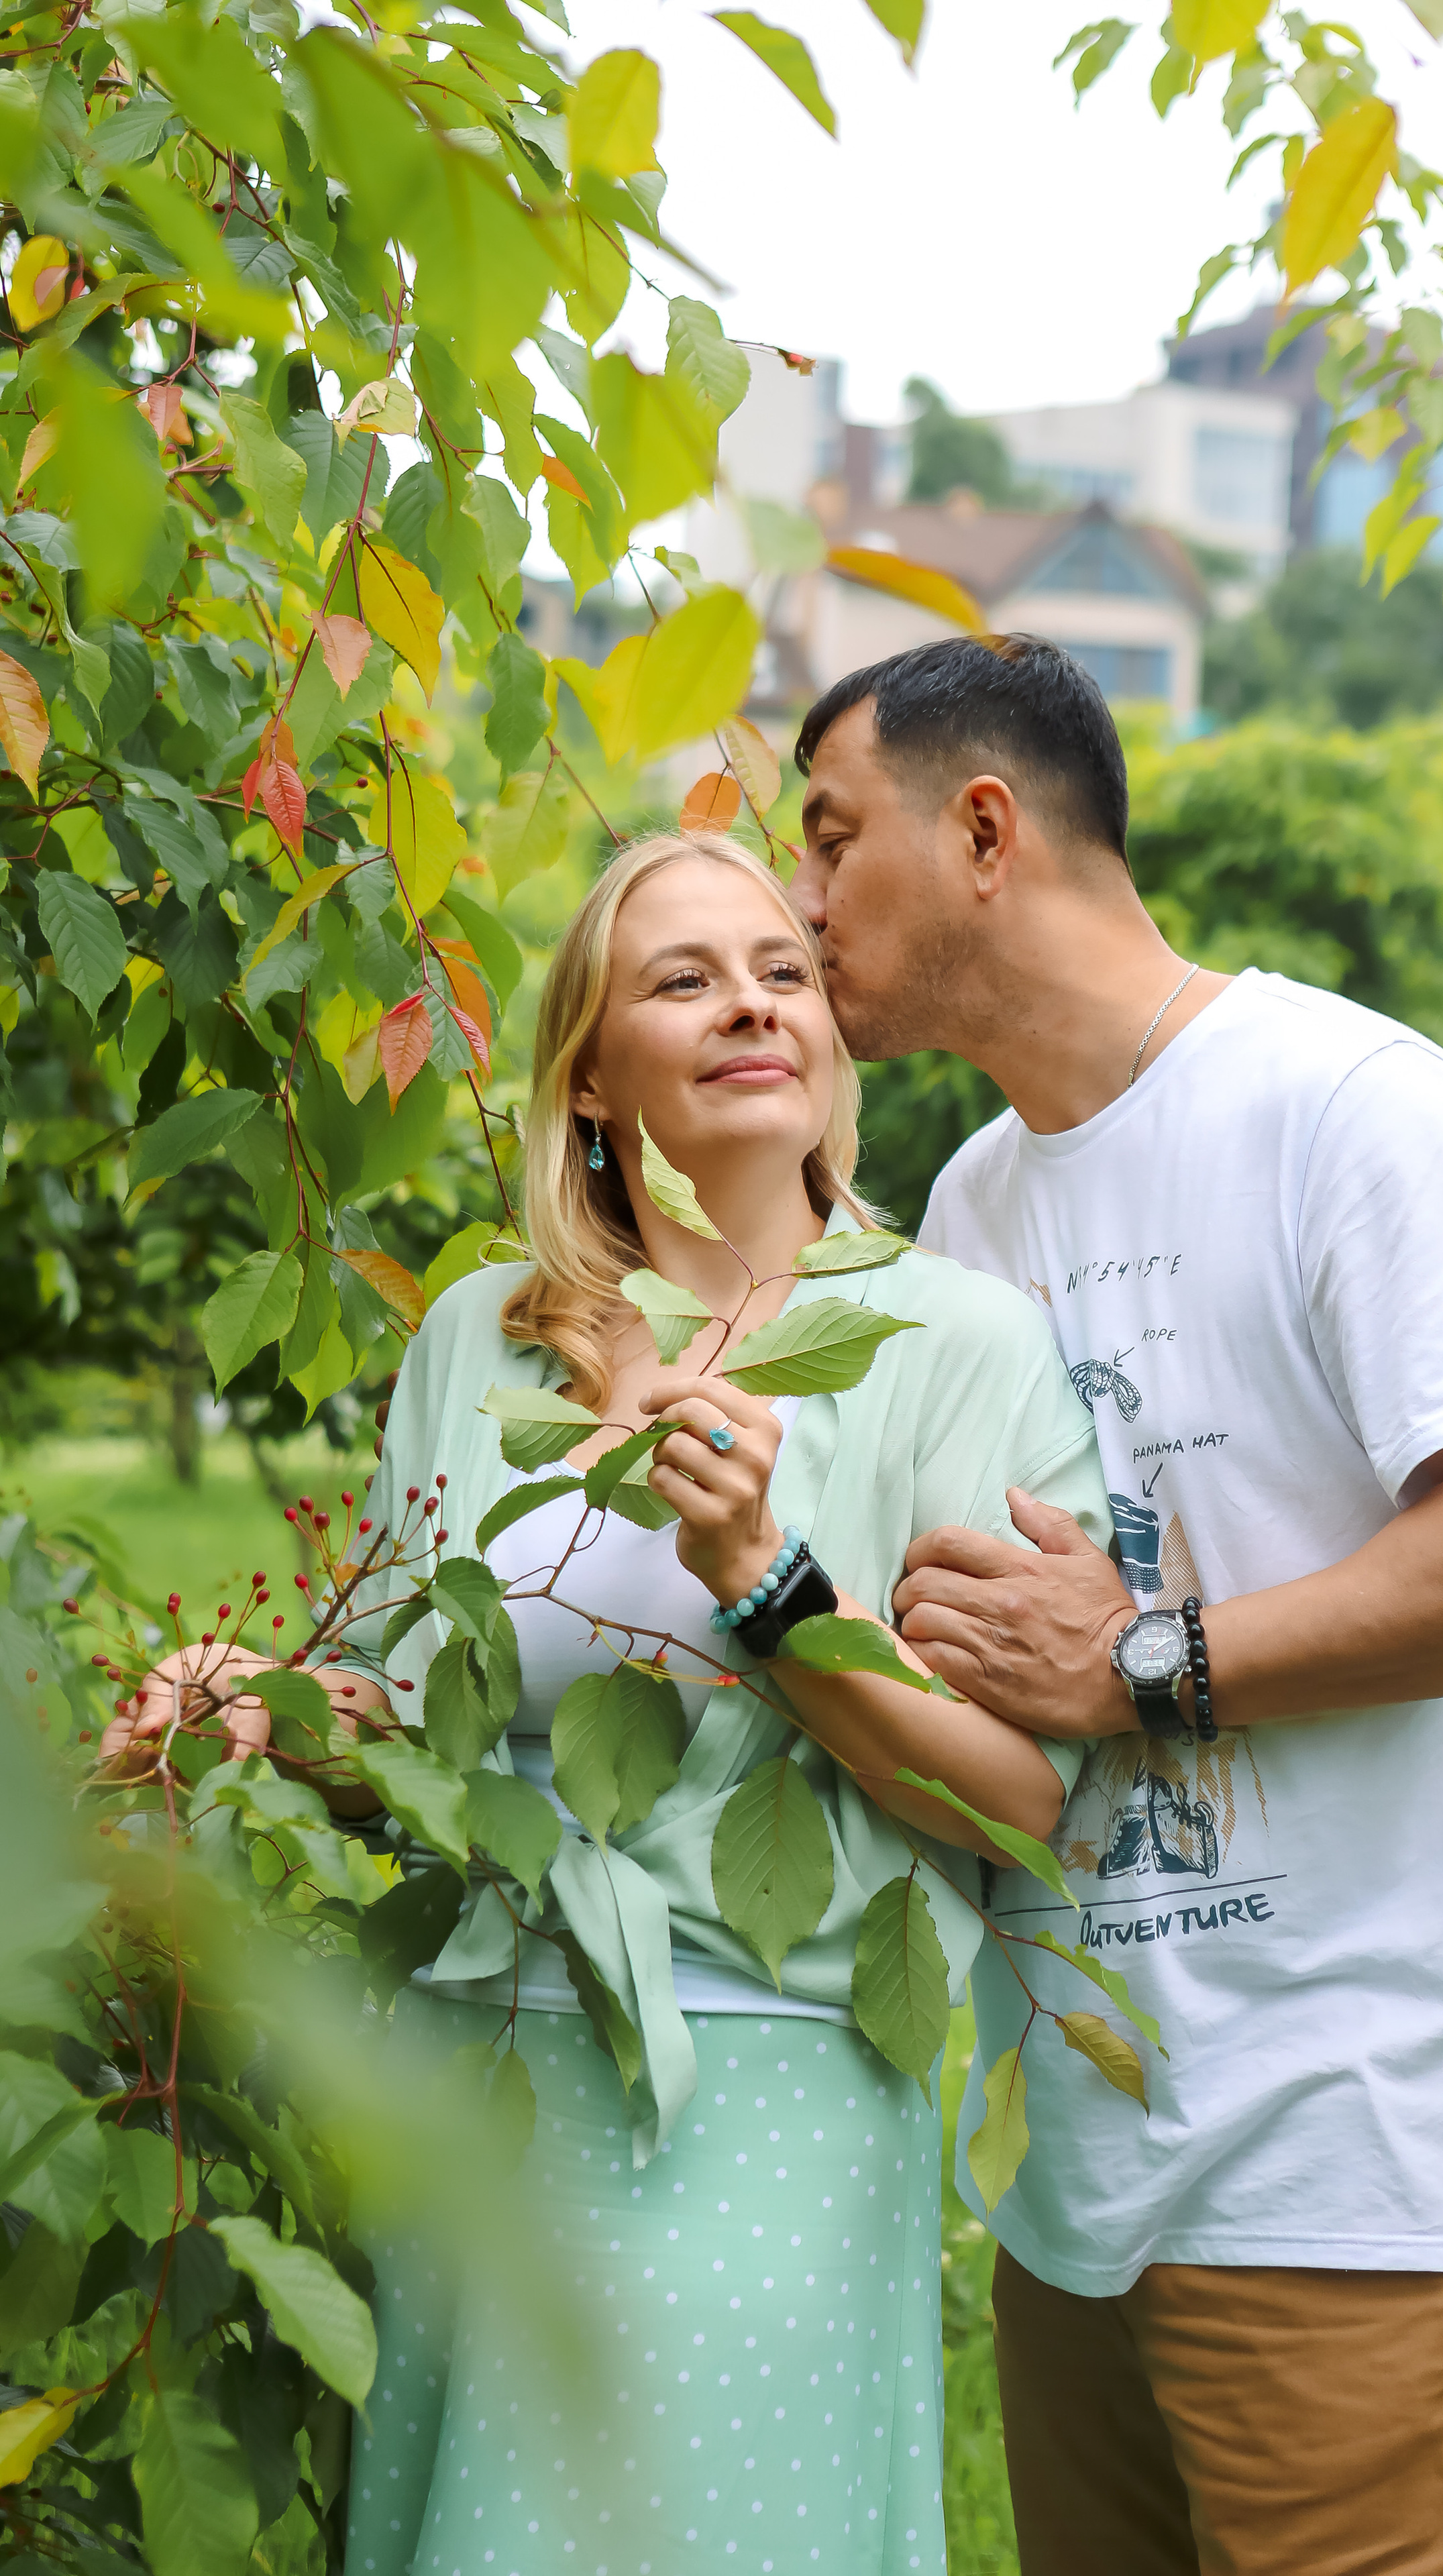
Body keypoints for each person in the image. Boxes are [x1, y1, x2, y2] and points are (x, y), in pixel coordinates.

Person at [105, 828, 1110, 2576]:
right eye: (685, 978)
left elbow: (1017, 1806)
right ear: (589, 1077)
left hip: (790, 2060)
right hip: (489, 2062)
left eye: (782, 972)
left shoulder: (954, 1342)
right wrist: (256, 1696)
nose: (751, 1005)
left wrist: (769, 1587)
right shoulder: (485, 1338)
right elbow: (406, 1726)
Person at [790, 635, 1443, 2576]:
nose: (803, 901)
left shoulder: (1348, 1108)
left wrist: (1149, 1660)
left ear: (988, 829)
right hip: (1079, 2177)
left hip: (1351, 2159)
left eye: (832, 840)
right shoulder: (975, 1211)